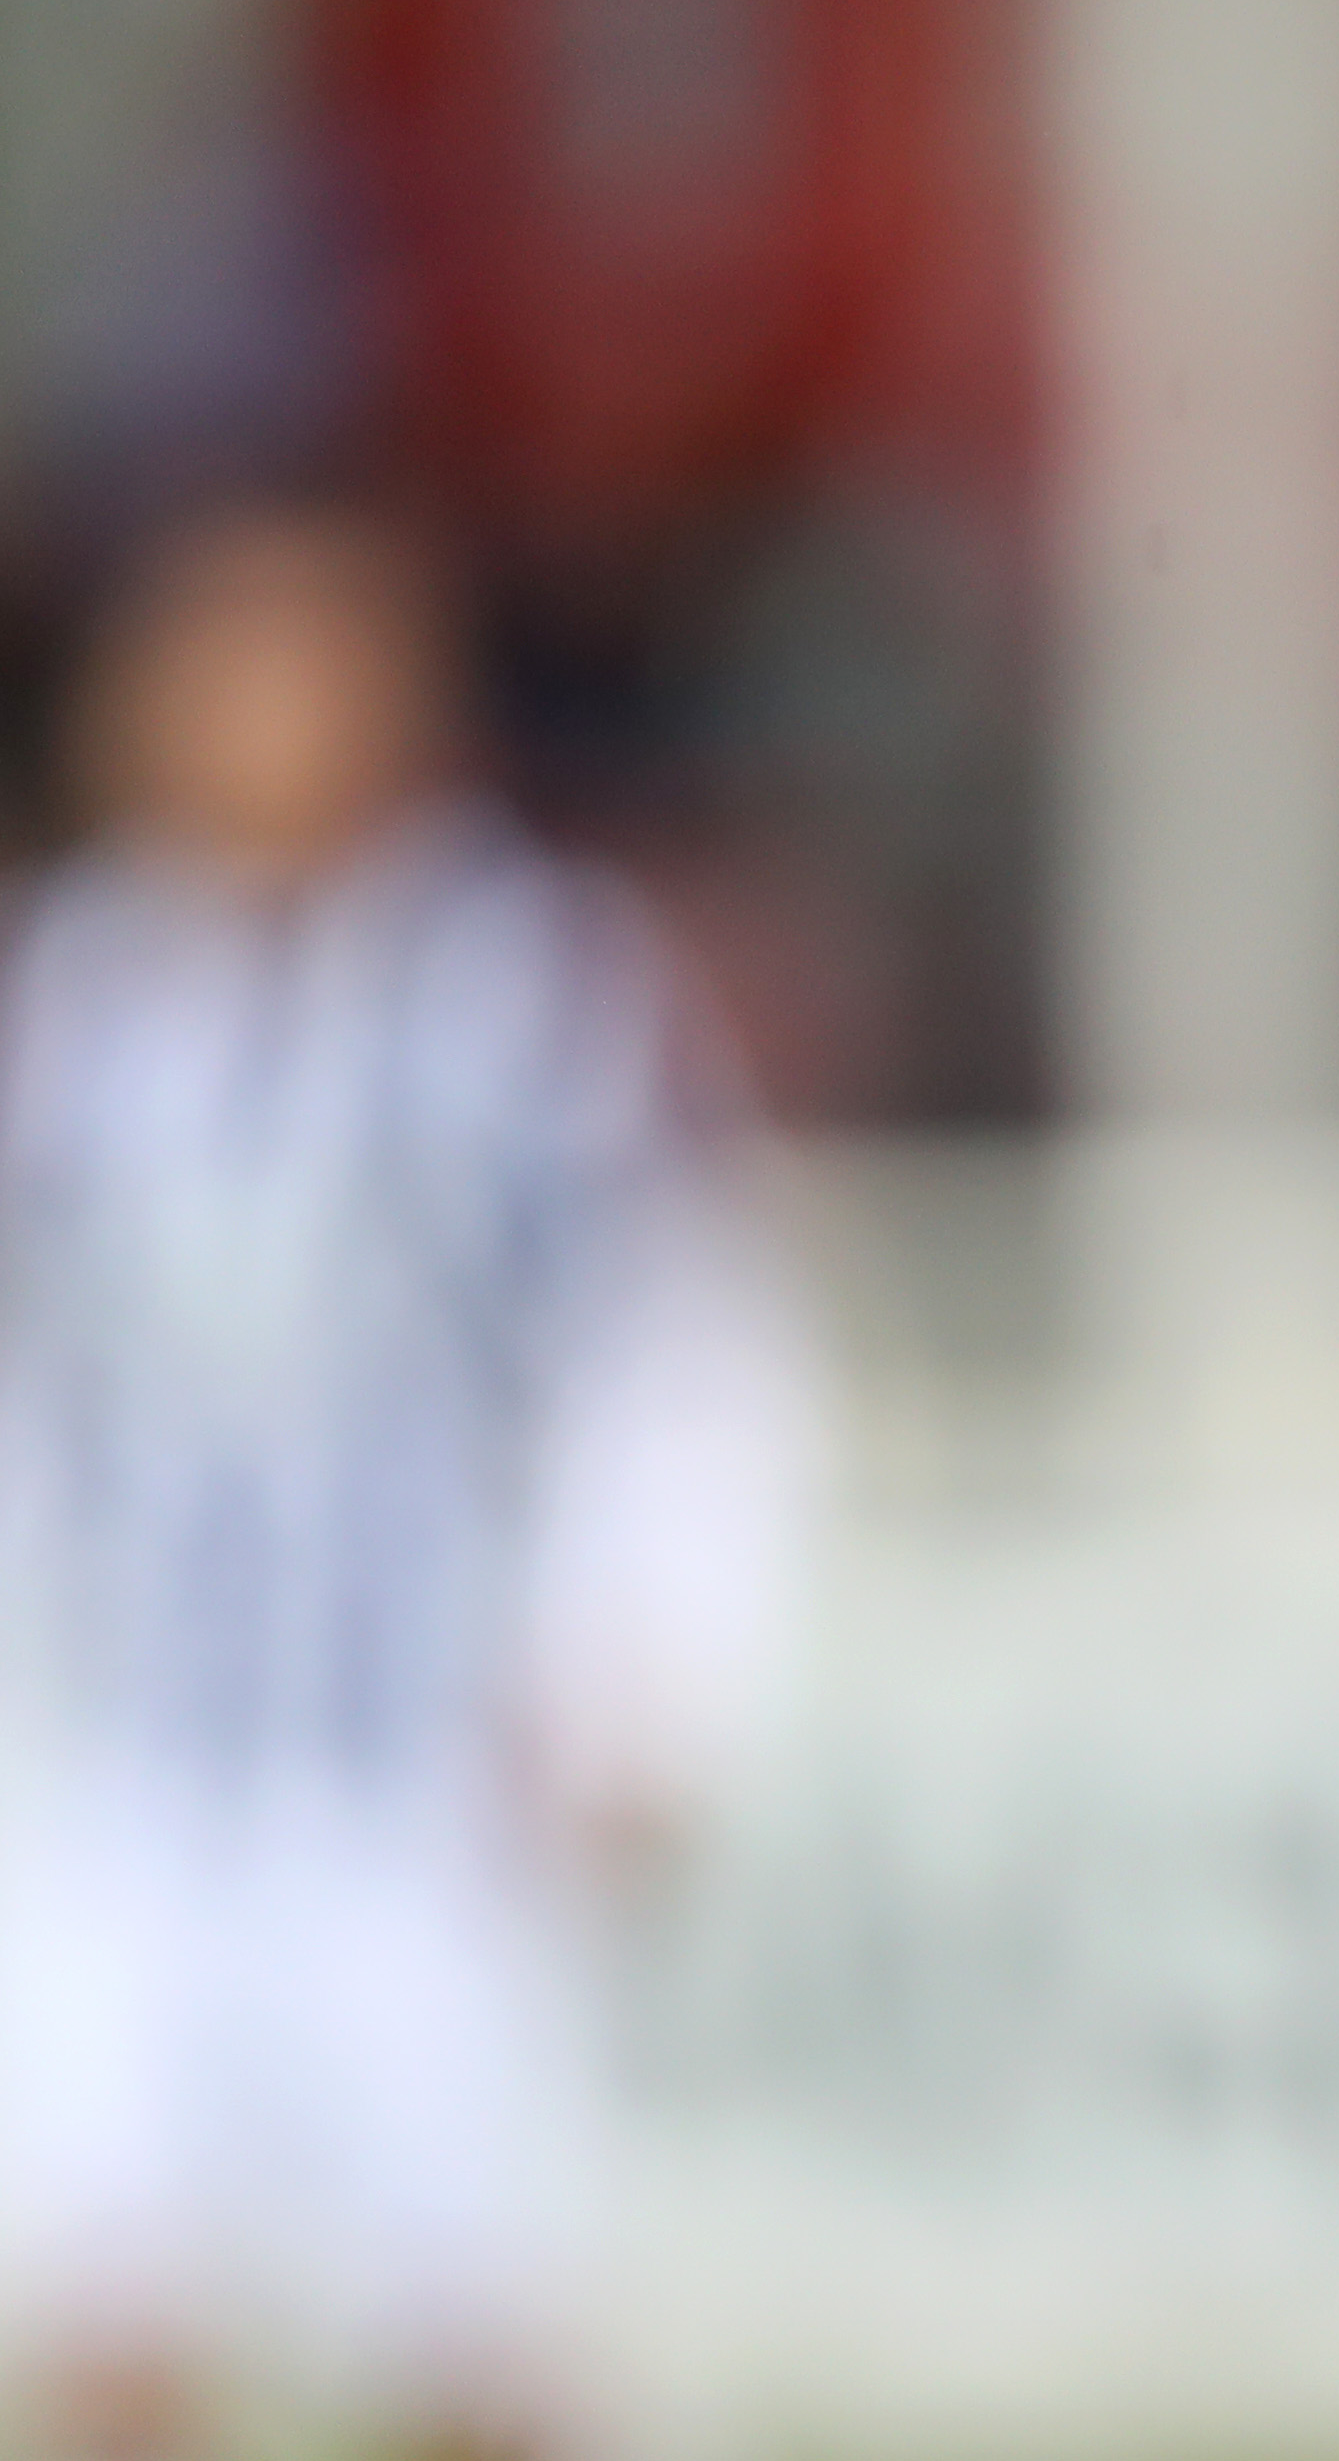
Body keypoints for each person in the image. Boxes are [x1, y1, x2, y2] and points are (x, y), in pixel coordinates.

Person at [0, 498, 818, 2461]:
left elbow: (683, 1343)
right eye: (204, 667)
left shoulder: (524, 993)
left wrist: (648, 1670)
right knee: (110, 2320)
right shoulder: (71, 1004)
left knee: (475, 2346)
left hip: (425, 1783)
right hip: (123, 1775)